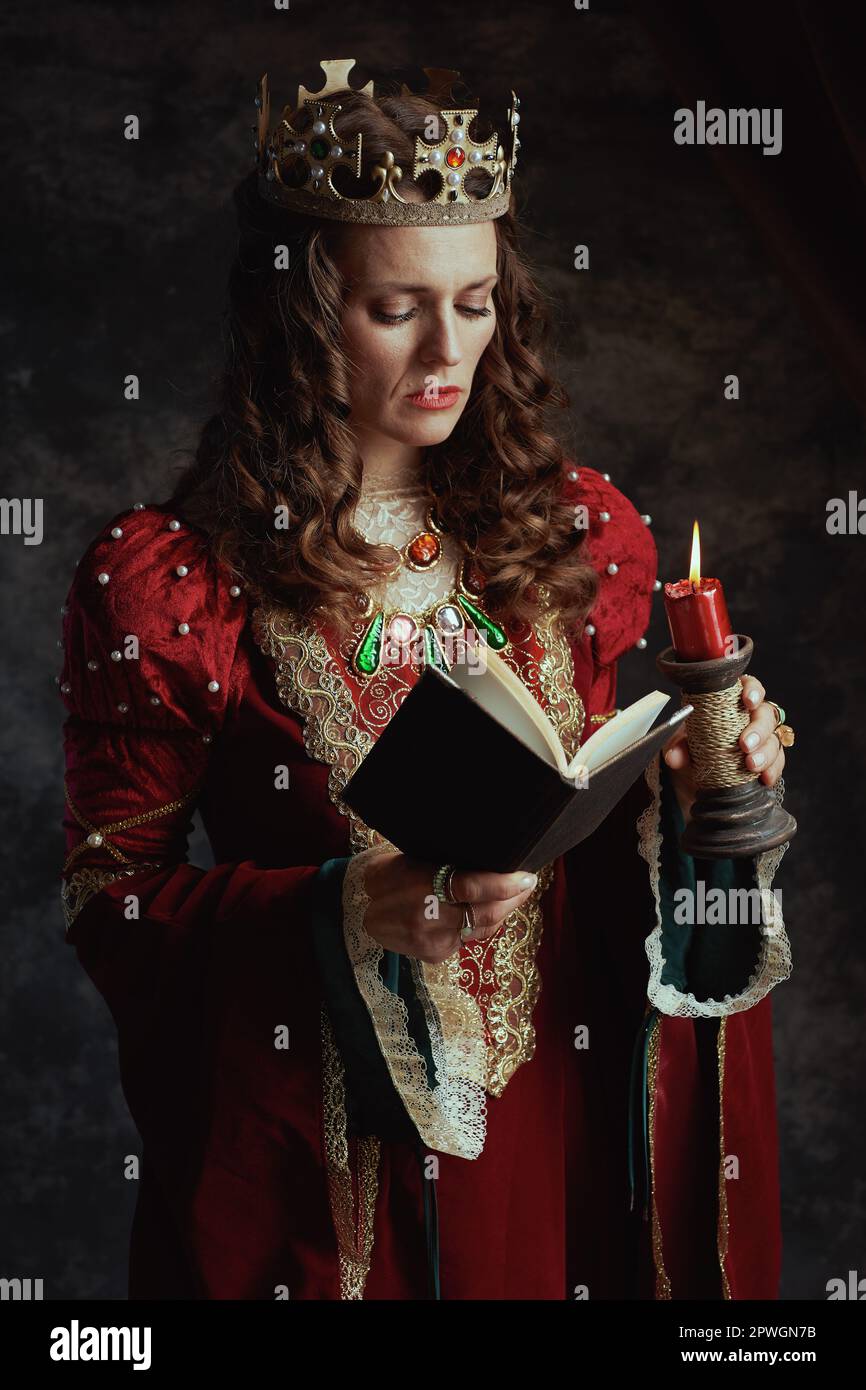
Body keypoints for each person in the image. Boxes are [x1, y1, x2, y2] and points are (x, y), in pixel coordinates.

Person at [58, 60, 793, 1301]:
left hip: (552, 1116)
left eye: (474, 300)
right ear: (299, 314)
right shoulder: (173, 585)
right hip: (335, 1159)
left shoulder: (575, 537)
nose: (449, 348)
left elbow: (592, 842)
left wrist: (691, 797)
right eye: (397, 309)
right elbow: (109, 903)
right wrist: (341, 912)